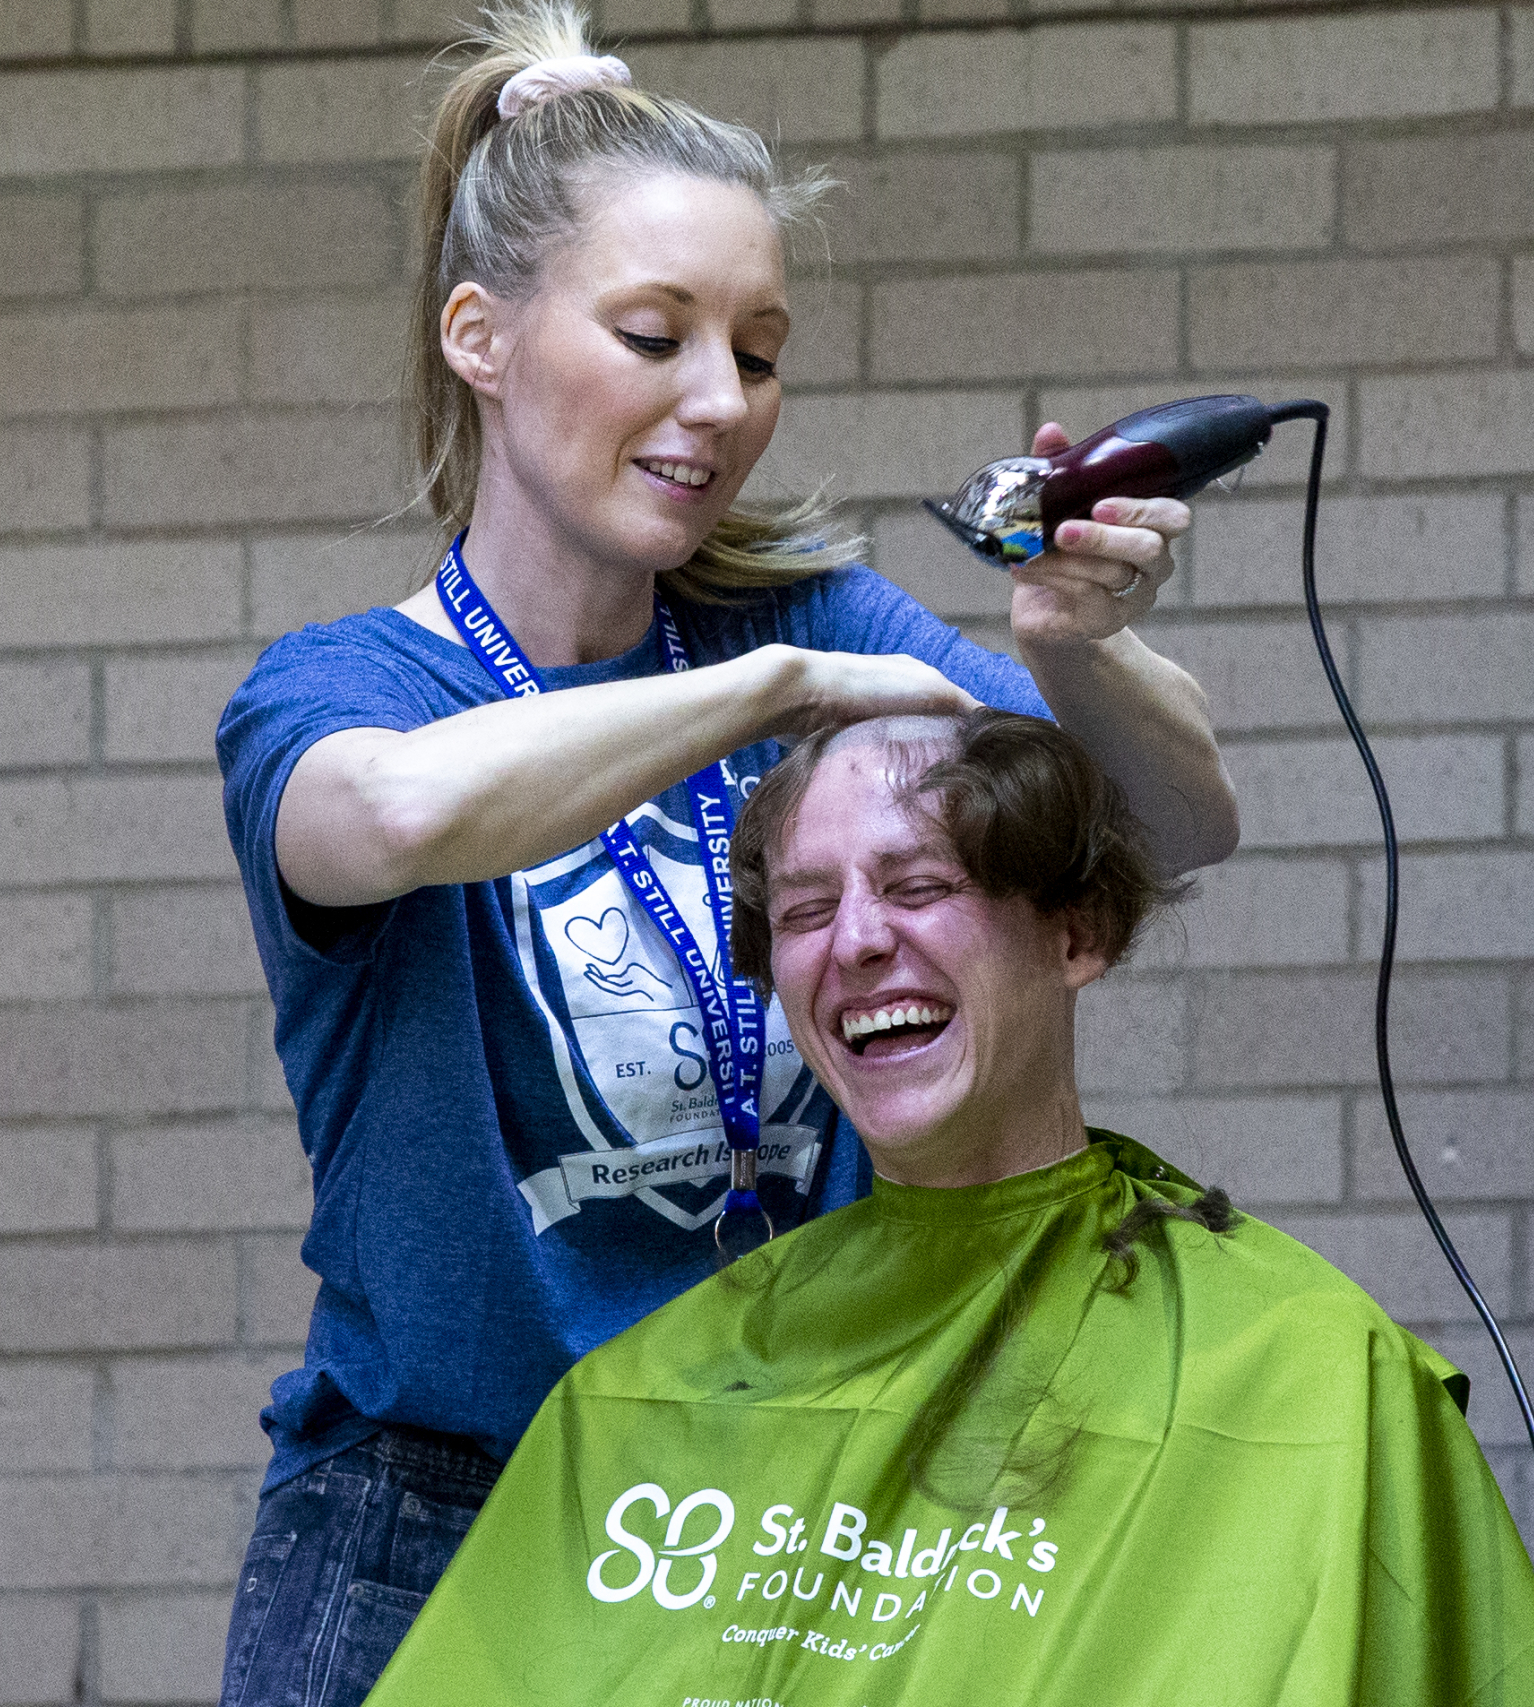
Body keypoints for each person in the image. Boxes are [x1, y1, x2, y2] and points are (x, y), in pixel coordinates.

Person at [209, 2, 1239, 1701]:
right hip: (435, 1521)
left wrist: (1071, 648)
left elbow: (1173, 826)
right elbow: (392, 815)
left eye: (755, 353)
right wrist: (775, 687)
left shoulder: (811, 615)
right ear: (481, 334)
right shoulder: (335, 690)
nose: (719, 403)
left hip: (768, 1499)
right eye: (652, 334)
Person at [360, 712, 1534, 1707]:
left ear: (1077, 932)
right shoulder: (646, 1394)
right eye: (801, 911)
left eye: (920, 884)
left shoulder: (1309, 1374)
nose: (856, 942)